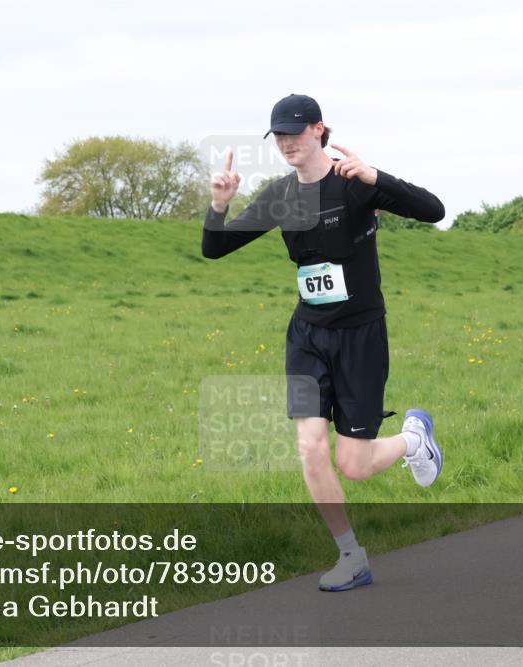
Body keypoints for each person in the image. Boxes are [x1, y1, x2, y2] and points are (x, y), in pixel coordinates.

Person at [201, 94, 445, 592]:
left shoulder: (354, 183)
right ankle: (351, 557)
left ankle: (413, 440)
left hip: (360, 336)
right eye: (280, 136)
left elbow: (433, 209)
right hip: (308, 336)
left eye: (296, 131)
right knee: (310, 447)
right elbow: (215, 248)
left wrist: (377, 177)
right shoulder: (281, 194)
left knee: (354, 466)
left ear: (319, 130)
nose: (288, 142)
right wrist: (219, 205)